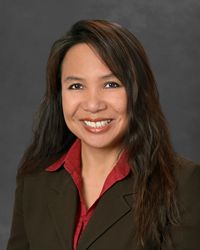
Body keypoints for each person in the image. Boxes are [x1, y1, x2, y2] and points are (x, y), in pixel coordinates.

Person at [7, 19, 200, 250]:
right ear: (59, 96)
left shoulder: (184, 183)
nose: (93, 104)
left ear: (138, 90)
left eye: (111, 84)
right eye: (76, 86)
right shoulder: (34, 179)